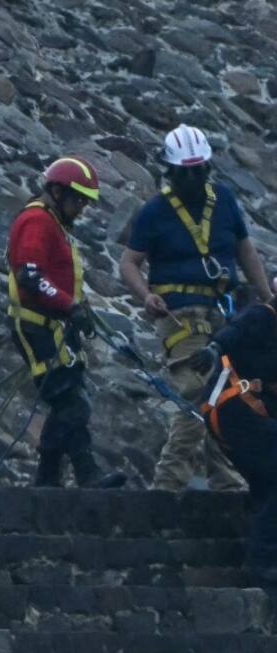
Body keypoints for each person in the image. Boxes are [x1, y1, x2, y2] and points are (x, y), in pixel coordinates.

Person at [120, 124, 271, 491]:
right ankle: (168, 484)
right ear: (171, 172)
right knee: (195, 392)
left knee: (225, 394)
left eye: (198, 170)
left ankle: (225, 480)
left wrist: (267, 299)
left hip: (222, 311)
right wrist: (146, 296)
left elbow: (245, 250)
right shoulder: (154, 211)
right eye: (184, 172)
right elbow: (129, 262)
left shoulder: (223, 200)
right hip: (180, 316)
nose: (192, 179)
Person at [6, 155, 126, 488]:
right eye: (78, 200)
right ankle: (86, 474)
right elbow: (30, 276)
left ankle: (47, 481)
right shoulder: (37, 221)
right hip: (37, 327)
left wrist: (78, 309)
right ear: (57, 192)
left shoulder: (55, 224)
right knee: (71, 401)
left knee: (69, 399)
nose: (81, 209)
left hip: (55, 327)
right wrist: (68, 305)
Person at [195, 284, 277, 583]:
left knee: (267, 483)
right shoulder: (262, 316)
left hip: (251, 417)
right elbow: (233, 333)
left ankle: (260, 549)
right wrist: (212, 348)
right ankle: (262, 559)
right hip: (232, 412)